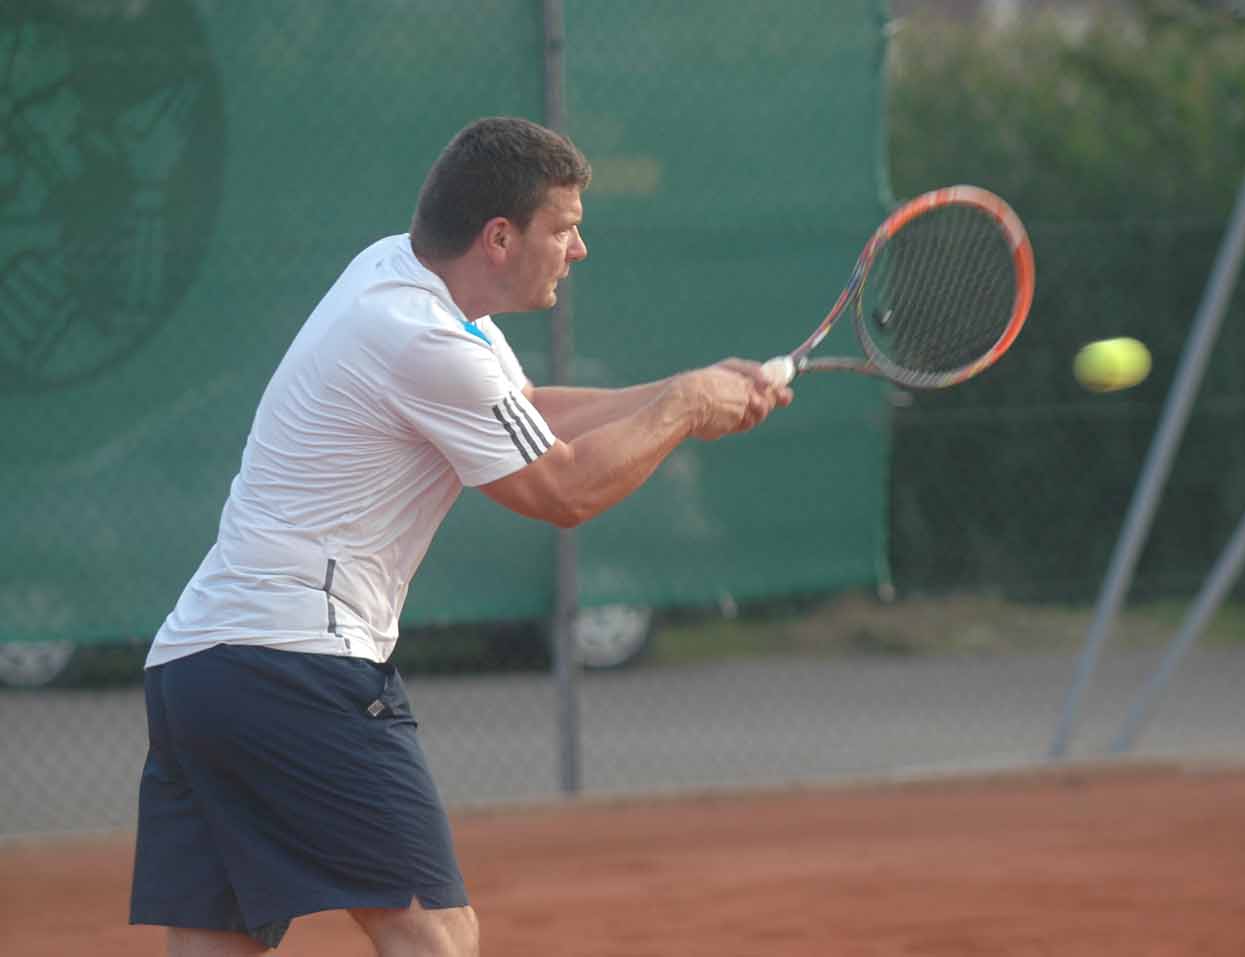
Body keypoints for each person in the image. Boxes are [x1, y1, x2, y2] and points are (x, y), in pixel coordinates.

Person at [129, 116, 791, 956]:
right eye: (564, 228)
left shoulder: (399, 277)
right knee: (434, 932)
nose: (579, 249)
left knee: (214, 944)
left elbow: (526, 416)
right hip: (292, 660)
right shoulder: (422, 337)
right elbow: (562, 488)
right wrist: (686, 407)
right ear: (500, 237)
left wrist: (683, 391)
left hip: (198, 667)